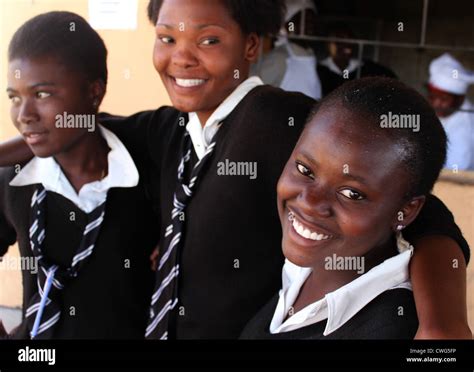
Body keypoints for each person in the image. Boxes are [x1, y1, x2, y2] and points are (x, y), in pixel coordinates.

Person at [0, 0, 471, 339]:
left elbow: (419, 207)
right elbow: (81, 124)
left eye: (208, 40)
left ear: (250, 46)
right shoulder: (169, 130)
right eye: (167, 38)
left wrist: (443, 322)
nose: (182, 57)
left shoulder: (278, 119)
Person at [241, 77, 447, 339]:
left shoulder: (392, 328)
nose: (310, 202)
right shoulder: (299, 265)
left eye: (352, 193)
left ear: (405, 212)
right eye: (305, 170)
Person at [0, 12, 158, 339]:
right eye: (14, 97)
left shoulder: (147, 173)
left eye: (42, 94)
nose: (24, 115)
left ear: (94, 92)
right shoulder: (14, 182)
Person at [250, 0, 322, 99]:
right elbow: (253, 93)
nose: (310, 25)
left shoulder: (310, 57)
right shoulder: (280, 58)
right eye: (303, 20)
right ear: (288, 25)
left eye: (312, 20)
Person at [317, 23, 397, 96]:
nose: (346, 45)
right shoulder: (318, 70)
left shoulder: (369, 68)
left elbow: (392, 83)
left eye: (349, 40)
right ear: (327, 44)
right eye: (339, 41)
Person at [427, 53, 474, 171]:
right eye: (433, 97)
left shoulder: (464, 128)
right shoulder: (441, 112)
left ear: (460, 99)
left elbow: (455, 173)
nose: (436, 104)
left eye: (444, 99)